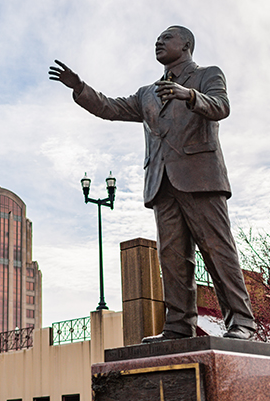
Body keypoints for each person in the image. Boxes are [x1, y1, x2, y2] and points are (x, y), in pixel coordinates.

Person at [48, 25, 255, 341]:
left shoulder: (207, 75)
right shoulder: (148, 93)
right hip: (161, 183)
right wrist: (80, 88)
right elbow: (111, 108)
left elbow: (221, 107)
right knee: (172, 259)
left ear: (186, 44)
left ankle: (242, 322)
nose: (159, 41)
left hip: (200, 177)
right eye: (157, 38)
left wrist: (190, 97)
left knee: (217, 251)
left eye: (167, 37)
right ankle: (178, 326)